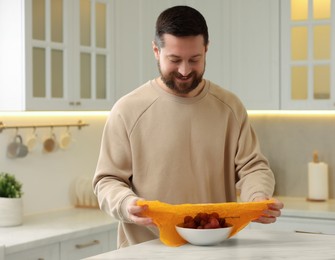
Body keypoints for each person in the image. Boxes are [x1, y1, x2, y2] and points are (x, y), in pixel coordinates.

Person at [93, 5, 283, 248]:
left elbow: (253, 167)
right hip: (146, 251)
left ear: (206, 49)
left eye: (195, 59)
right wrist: (125, 203)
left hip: (215, 250)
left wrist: (257, 199)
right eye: (174, 59)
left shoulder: (229, 107)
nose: (184, 70)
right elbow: (107, 180)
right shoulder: (127, 110)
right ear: (155, 50)